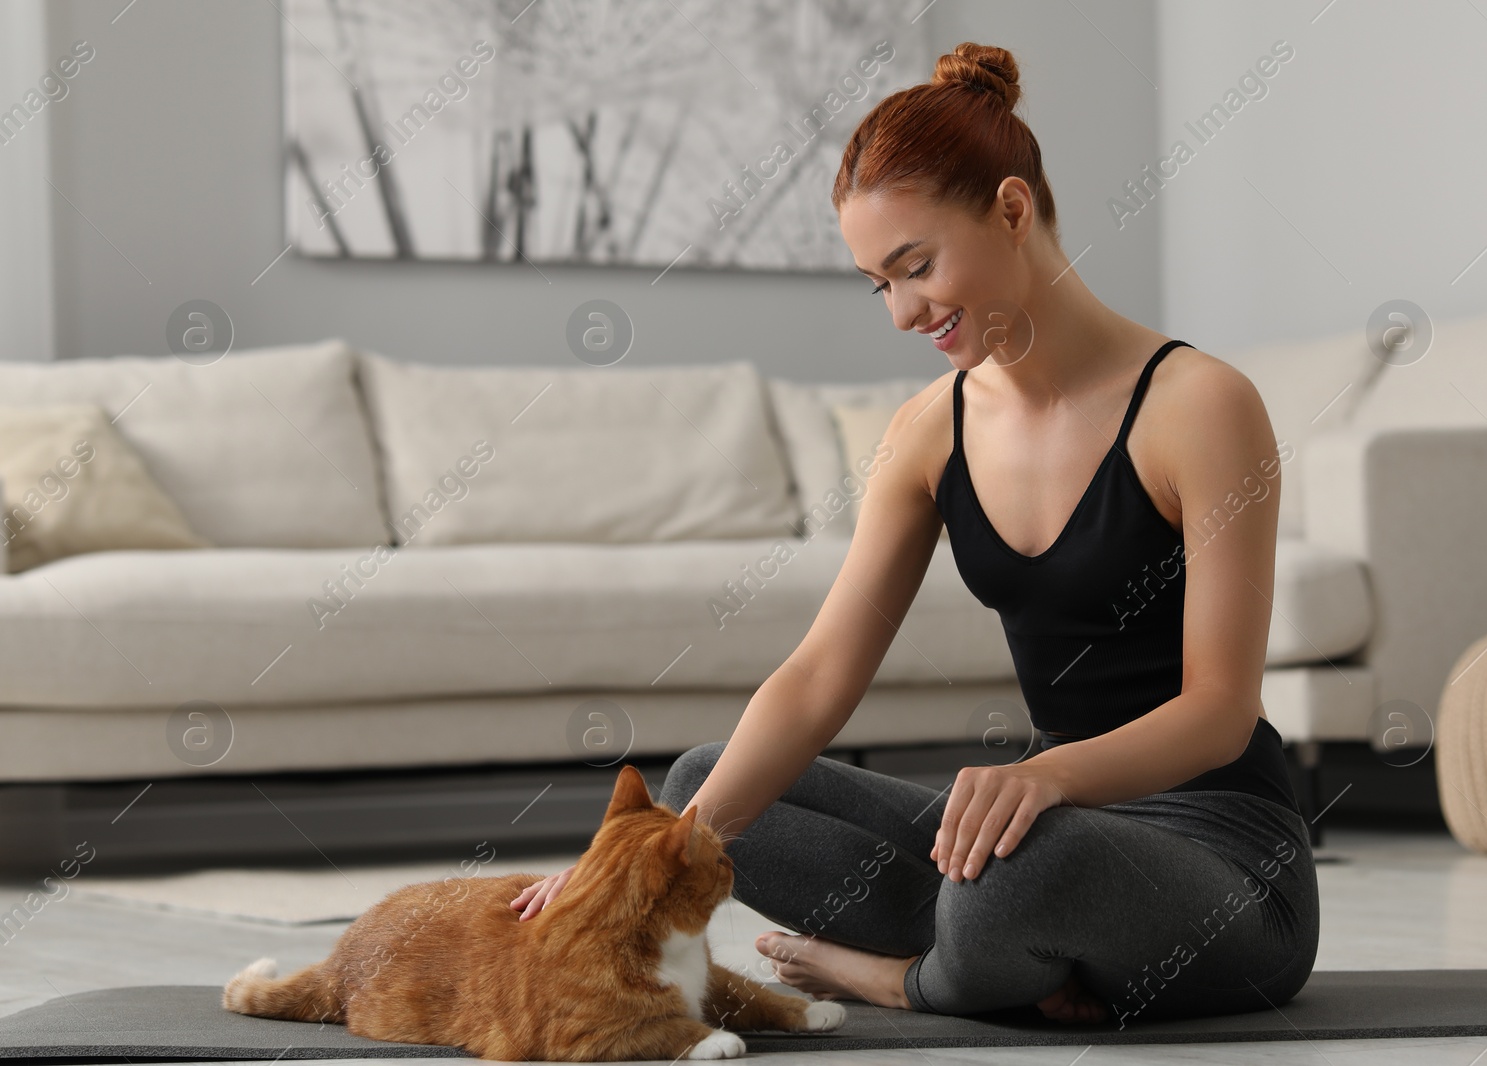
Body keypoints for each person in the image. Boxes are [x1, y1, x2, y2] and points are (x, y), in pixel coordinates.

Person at [511, 41, 1318, 1027]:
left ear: (1012, 210)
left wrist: (1045, 776)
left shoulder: (1199, 405)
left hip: (1224, 857)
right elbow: (817, 677)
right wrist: (630, 869)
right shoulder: (929, 430)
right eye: (876, 283)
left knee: (1021, 869)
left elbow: (1220, 710)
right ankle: (1006, 964)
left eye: (916, 267)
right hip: (1040, 831)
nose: (900, 313)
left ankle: (893, 976)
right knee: (700, 792)